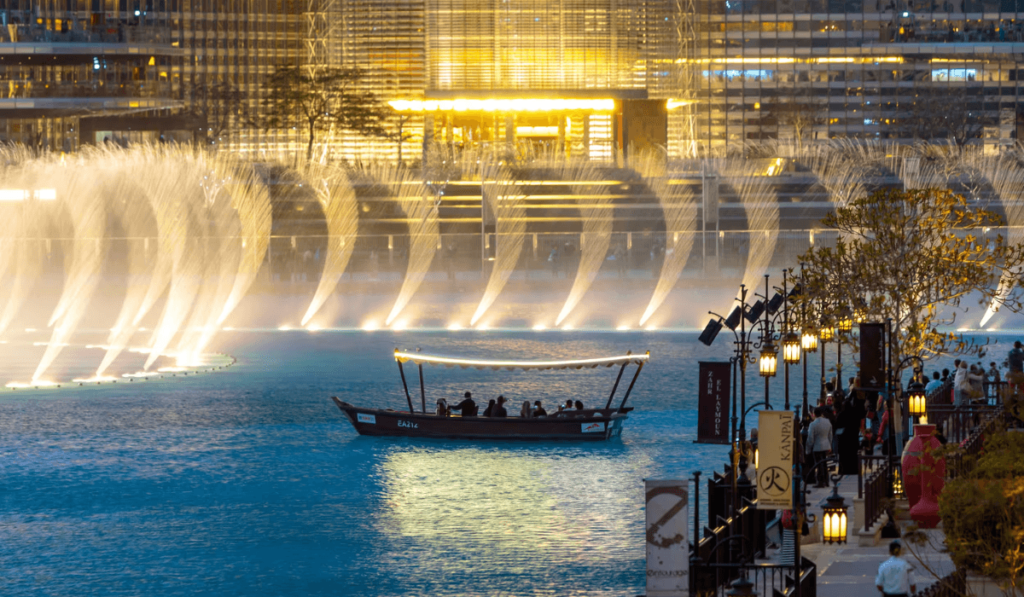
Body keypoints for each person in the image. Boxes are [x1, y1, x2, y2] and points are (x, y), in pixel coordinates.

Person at [805, 407, 833, 487]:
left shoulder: (813, 424)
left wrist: (808, 449)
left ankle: (820, 482)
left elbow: (810, 438)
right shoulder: (827, 422)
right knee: (824, 464)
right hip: (826, 445)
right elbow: (830, 435)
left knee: (818, 464)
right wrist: (830, 445)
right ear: (821, 413)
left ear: (814, 414)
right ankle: (826, 481)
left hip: (817, 446)